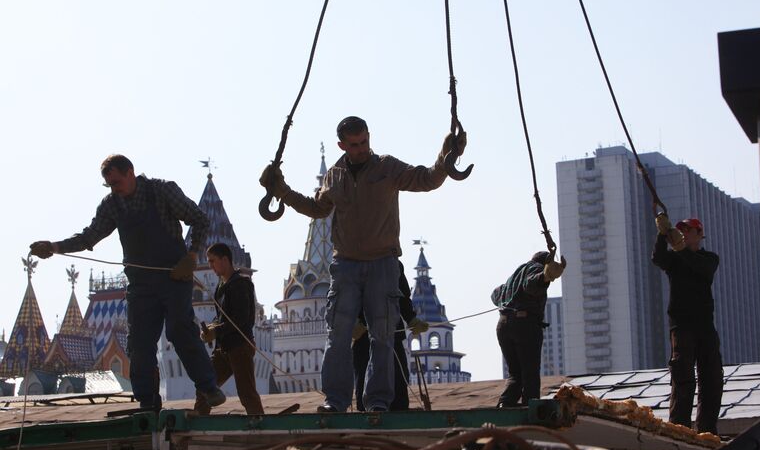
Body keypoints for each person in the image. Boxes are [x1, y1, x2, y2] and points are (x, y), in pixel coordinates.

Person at [259, 115, 465, 412]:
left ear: (369, 137)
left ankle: (379, 403)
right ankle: (335, 402)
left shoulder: (387, 167)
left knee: (382, 337)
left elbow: (427, 179)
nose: (360, 149)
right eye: (353, 145)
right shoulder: (335, 175)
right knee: (338, 335)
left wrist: (446, 159)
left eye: (364, 142)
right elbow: (317, 208)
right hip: (346, 266)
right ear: (342, 145)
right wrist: (283, 192)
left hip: (382, 264)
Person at [29, 154, 225, 411]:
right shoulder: (112, 205)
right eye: (110, 185)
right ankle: (148, 403)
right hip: (141, 286)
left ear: (131, 173)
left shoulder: (162, 191)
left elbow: (199, 219)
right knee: (140, 344)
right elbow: (90, 236)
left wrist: (191, 256)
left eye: (117, 182)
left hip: (174, 277)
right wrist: (54, 247)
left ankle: (208, 387)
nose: (114, 189)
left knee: (180, 329)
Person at [652, 215, 723, 435]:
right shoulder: (674, 259)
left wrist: (681, 249)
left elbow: (701, 269)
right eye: (681, 230)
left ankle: (706, 431)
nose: (683, 233)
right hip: (681, 325)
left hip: (704, 325)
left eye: (688, 230)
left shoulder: (708, 258)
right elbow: (658, 258)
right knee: (683, 377)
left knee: (711, 378)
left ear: (699, 234)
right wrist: (661, 235)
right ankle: (679, 429)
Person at [195, 243, 264, 415]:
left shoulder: (240, 284)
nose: (210, 265)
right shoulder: (221, 286)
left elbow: (240, 320)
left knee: (246, 393)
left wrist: (215, 331)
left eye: (213, 261)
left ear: (225, 260)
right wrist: (211, 328)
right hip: (224, 348)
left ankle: (260, 425)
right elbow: (222, 318)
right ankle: (197, 424)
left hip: (240, 347)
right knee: (206, 386)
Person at [491, 251, 565, 408]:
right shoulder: (536, 269)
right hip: (524, 325)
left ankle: (506, 403)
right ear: (545, 263)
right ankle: (530, 407)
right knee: (530, 372)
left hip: (503, 325)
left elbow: (495, 294)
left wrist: (509, 300)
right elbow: (531, 285)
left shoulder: (515, 275)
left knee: (515, 372)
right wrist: (545, 276)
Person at [352, 260, 428, 412]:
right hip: (364, 334)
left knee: (398, 378)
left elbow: (403, 296)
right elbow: (340, 293)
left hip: (392, 332)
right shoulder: (352, 262)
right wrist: (351, 320)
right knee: (365, 373)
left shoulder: (394, 264)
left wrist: (411, 318)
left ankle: (398, 411)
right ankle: (368, 412)